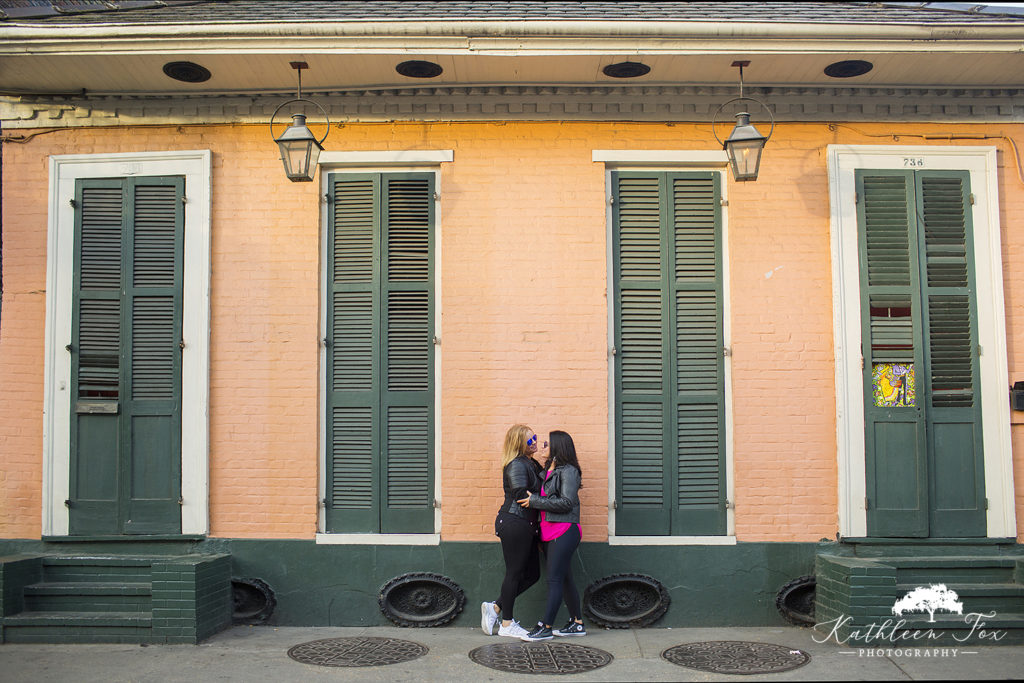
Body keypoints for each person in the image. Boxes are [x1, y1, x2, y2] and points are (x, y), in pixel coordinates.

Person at [517, 430, 586, 640]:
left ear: (558, 447)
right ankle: (577, 623)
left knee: (554, 579)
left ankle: (545, 626)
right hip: (550, 531)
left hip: (564, 529)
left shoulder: (569, 471)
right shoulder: (550, 470)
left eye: (546, 443)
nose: (542, 446)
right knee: (564, 579)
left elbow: (567, 502)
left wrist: (535, 501)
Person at [480, 424, 545, 638]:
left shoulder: (531, 463)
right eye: (529, 440)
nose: (534, 441)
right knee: (515, 573)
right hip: (515, 522)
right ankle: (507, 624)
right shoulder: (517, 464)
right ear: (519, 443)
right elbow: (520, 495)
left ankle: (496, 607)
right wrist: (548, 501)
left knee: (533, 574)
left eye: (534, 437)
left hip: (526, 525)